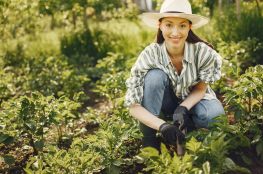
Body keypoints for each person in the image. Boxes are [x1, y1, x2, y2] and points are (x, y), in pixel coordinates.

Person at [124, 0, 225, 150]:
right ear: (160, 25)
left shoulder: (203, 52)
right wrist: (162, 126)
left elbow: (200, 89)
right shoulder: (150, 54)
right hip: (166, 104)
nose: (175, 33)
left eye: (182, 25)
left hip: (195, 101)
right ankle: (150, 139)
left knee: (214, 115)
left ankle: (191, 126)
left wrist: (183, 108)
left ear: (189, 27)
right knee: (154, 77)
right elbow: (133, 106)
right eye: (169, 25)